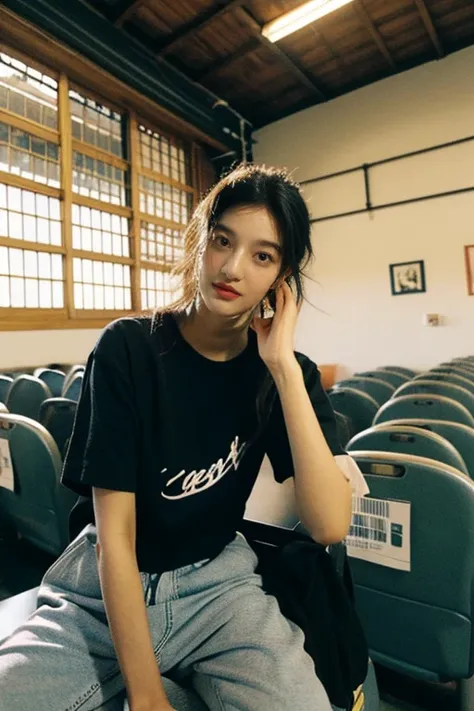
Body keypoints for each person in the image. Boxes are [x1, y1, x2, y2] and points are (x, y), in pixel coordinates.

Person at [0, 164, 368, 711]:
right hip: (101, 591)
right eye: (223, 241)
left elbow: (329, 523)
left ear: (282, 277)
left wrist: (283, 368)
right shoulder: (130, 348)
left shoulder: (289, 372)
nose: (233, 267)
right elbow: (116, 538)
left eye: (262, 256)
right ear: (201, 240)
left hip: (219, 586)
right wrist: (147, 697)